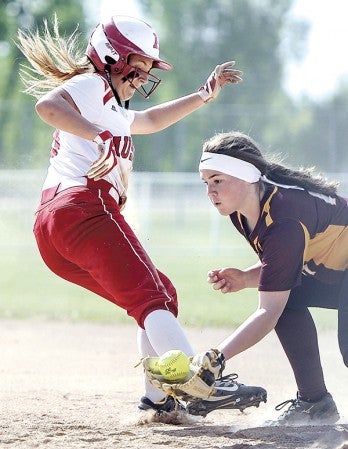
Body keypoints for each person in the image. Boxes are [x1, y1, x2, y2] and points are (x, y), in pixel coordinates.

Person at [17, 16, 267, 417]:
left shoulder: (110, 107)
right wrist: (96, 138)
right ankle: (200, 382)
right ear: (112, 57)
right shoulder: (93, 85)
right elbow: (48, 106)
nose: (143, 76)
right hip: (83, 207)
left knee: (157, 296)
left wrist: (203, 95)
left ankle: (157, 400)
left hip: (56, 226)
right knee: (153, 296)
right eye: (139, 66)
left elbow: (150, 120)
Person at [197, 130, 347, 424]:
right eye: (206, 182)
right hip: (338, 271)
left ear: (248, 176)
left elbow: (268, 310)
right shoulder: (242, 212)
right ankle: (314, 403)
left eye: (218, 181)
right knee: (289, 301)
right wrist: (244, 277)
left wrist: (217, 358)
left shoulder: (284, 218)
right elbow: (283, 267)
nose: (210, 192)